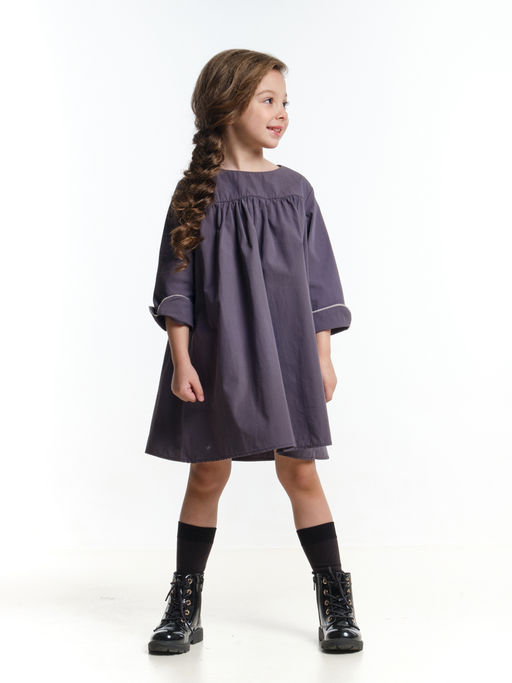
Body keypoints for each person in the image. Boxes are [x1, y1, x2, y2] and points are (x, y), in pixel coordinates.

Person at [145, 49, 363, 655]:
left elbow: (320, 282)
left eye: (284, 101)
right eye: (268, 99)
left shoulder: (295, 191)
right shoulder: (197, 193)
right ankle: (183, 605)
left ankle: (336, 604)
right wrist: (182, 360)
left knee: (300, 470)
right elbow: (177, 284)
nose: (281, 112)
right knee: (207, 471)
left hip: (288, 355)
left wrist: (322, 358)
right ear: (228, 105)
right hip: (217, 354)